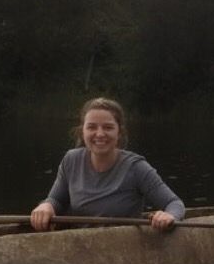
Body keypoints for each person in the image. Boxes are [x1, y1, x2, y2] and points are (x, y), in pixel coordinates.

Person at [30, 97, 185, 232]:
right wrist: (46, 206)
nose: (99, 134)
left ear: (119, 132)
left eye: (108, 127)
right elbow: (56, 200)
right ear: (82, 131)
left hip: (124, 249)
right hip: (79, 246)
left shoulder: (136, 167)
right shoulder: (71, 160)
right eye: (91, 127)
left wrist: (168, 216)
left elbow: (174, 203)